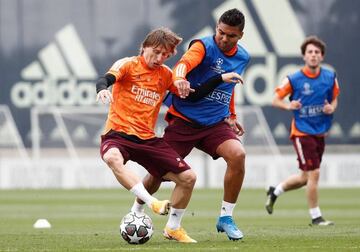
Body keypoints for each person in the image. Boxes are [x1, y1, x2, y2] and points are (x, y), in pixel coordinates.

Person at [96, 27, 242, 243]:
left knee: (188, 178)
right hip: (117, 134)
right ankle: (151, 203)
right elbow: (105, 79)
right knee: (111, 158)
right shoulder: (127, 64)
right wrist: (102, 89)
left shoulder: (166, 75)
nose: (159, 58)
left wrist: (220, 78)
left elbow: (194, 95)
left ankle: (173, 227)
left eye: (165, 55)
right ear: (144, 47)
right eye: (155, 52)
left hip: (148, 139)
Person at [131, 8, 250, 241]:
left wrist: (232, 115)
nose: (224, 38)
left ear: (241, 36)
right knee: (157, 175)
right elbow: (183, 65)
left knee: (238, 155)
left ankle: (225, 217)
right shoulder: (203, 46)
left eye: (231, 36)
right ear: (217, 27)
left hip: (215, 124)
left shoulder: (243, 57)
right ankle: (135, 211)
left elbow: (230, 85)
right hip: (184, 122)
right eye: (221, 32)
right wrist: (178, 78)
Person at [265, 36, 340, 226]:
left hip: (320, 132)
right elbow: (275, 100)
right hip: (302, 132)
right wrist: (289, 105)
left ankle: (276, 191)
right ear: (303, 56)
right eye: (310, 52)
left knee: (304, 178)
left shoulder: (330, 77)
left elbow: (334, 99)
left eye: (317, 52)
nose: (313, 55)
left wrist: (332, 107)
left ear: (322, 56)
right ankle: (316, 217)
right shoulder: (294, 79)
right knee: (314, 173)